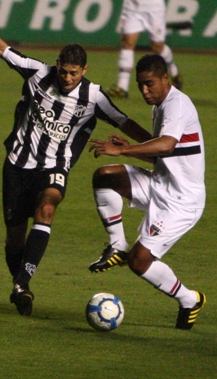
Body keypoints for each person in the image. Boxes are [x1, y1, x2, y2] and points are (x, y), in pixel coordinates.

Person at [0, 0, 153, 316]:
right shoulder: (38, 73)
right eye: (64, 71)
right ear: (57, 65)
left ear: (84, 70)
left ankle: (23, 282)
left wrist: (154, 148)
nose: (68, 79)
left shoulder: (94, 97)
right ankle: (20, 284)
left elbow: (124, 121)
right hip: (16, 164)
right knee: (15, 239)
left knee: (48, 206)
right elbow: (1, 49)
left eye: (74, 73)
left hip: (55, 166)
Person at [88, 54, 206, 329]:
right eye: (140, 84)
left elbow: (164, 146)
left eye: (149, 84)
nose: (143, 91)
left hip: (181, 201)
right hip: (160, 184)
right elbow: (161, 154)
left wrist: (123, 149)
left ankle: (189, 299)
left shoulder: (177, 105)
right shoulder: (161, 105)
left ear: (165, 79)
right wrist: (129, 143)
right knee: (105, 177)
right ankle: (117, 244)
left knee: (139, 262)